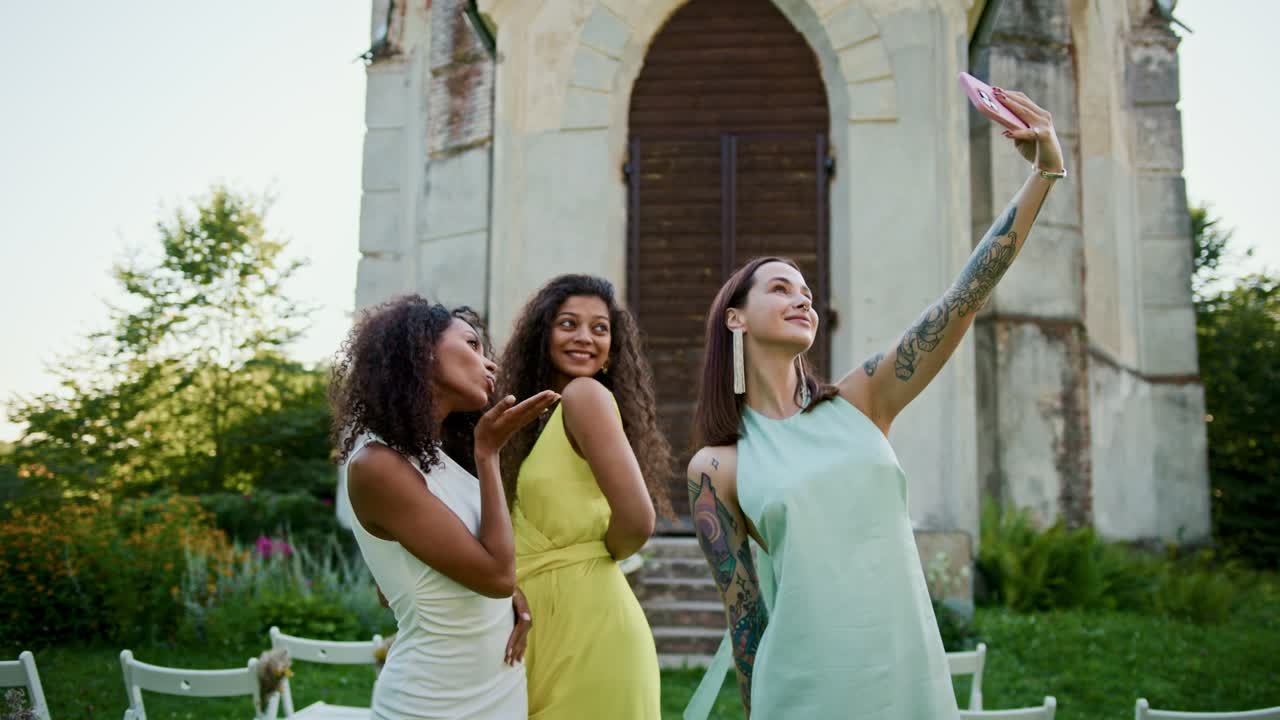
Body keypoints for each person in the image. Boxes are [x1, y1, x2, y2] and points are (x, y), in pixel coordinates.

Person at [684, 88, 1066, 719]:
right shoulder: (715, 469)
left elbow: (966, 294)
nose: (803, 298)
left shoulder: (863, 400)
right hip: (802, 691)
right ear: (736, 318)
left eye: (807, 290)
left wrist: (1044, 171)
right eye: (780, 288)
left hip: (907, 676)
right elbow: (745, 620)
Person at [329, 295, 558, 719]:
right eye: (471, 344)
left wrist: (508, 598)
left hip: (497, 686)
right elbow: (495, 575)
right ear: (422, 351)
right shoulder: (377, 465)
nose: (489, 364)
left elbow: (406, 580)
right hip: (434, 700)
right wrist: (488, 453)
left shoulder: (437, 459)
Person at [496, 274, 673, 720]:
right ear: (543, 334)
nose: (584, 338)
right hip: (540, 634)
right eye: (568, 323)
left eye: (599, 328)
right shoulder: (535, 418)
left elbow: (638, 520)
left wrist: (589, 555)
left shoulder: (586, 395)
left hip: (591, 630)